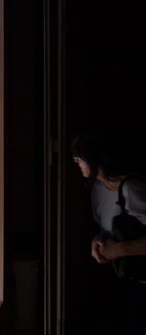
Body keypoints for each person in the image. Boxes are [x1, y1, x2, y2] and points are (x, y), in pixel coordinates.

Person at [72, 130, 146, 335]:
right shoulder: (97, 189)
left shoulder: (132, 189)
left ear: (94, 157)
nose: (76, 162)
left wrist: (120, 249)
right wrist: (97, 241)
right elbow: (105, 229)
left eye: (79, 157)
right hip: (126, 279)